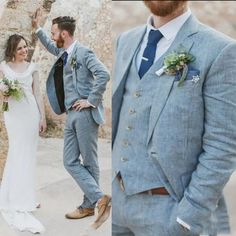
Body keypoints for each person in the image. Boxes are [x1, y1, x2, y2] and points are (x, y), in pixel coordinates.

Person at [112, 1, 236, 235]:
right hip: (116, 207)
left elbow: (223, 144)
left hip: (169, 213)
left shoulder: (222, 50)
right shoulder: (125, 41)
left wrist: (188, 218)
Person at [32, 9, 111, 228]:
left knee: (90, 161)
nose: (52, 36)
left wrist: (92, 100)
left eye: (54, 32)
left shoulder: (84, 52)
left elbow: (103, 74)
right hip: (70, 114)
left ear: (64, 34)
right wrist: (37, 28)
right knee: (69, 161)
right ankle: (99, 198)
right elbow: (49, 45)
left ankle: (88, 205)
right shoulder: (63, 52)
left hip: (85, 114)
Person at [0, 34, 46, 233]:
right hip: (13, 115)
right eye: (20, 48)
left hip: (30, 114)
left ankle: (26, 197)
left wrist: (42, 117)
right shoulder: (3, 67)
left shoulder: (33, 67)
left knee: (27, 156)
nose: (24, 51)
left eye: (25, 47)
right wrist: (4, 93)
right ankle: (14, 196)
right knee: (16, 152)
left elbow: (37, 93)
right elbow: (1, 95)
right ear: (12, 49)